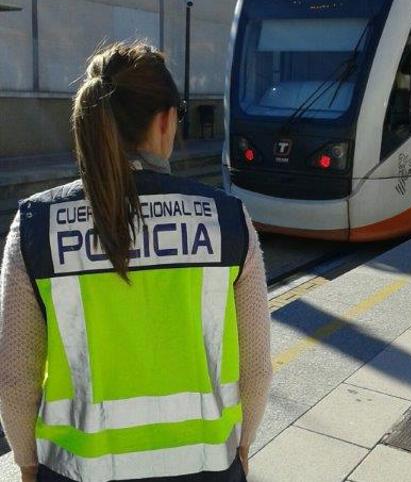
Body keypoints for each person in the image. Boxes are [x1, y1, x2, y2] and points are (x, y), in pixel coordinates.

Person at [0, 42, 272, 482]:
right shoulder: (227, 221)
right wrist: (241, 448)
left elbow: (14, 381)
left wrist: (27, 466)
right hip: (204, 469)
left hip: (77, 471)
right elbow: (256, 370)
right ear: (166, 120)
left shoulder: (34, 227)